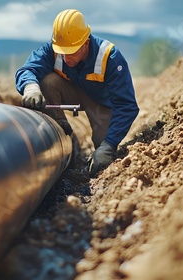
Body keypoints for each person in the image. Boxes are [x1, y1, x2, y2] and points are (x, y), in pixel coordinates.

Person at [15, 9, 139, 177]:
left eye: (71, 51)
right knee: (47, 82)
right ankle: (61, 127)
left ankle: (102, 153)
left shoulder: (110, 57)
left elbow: (127, 105)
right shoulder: (53, 50)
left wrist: (108, 145)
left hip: (99, 102)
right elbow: (28, 69)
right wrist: (30, 86)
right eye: (62, 51)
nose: (66, 58)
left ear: (86, 43)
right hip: (71, 93)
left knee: (102, 146)